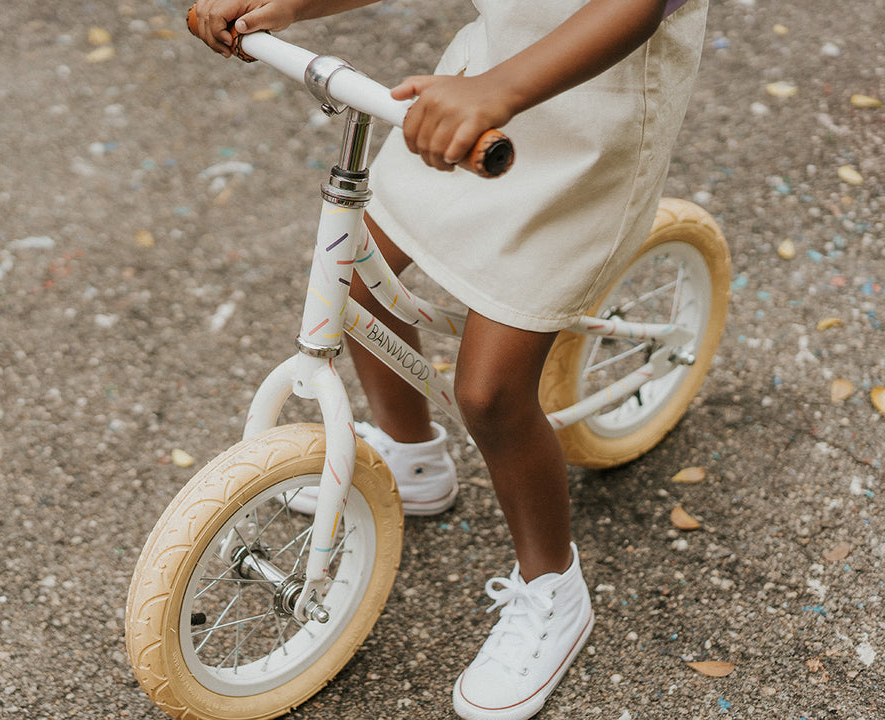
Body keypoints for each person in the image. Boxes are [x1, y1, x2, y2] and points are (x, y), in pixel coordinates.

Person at [191, 0, 707, 717]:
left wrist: (496, 91)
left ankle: (553, 587)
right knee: (362, 277)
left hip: (586, 138)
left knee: (491, 392)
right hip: (457, 112)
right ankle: (412, 454)